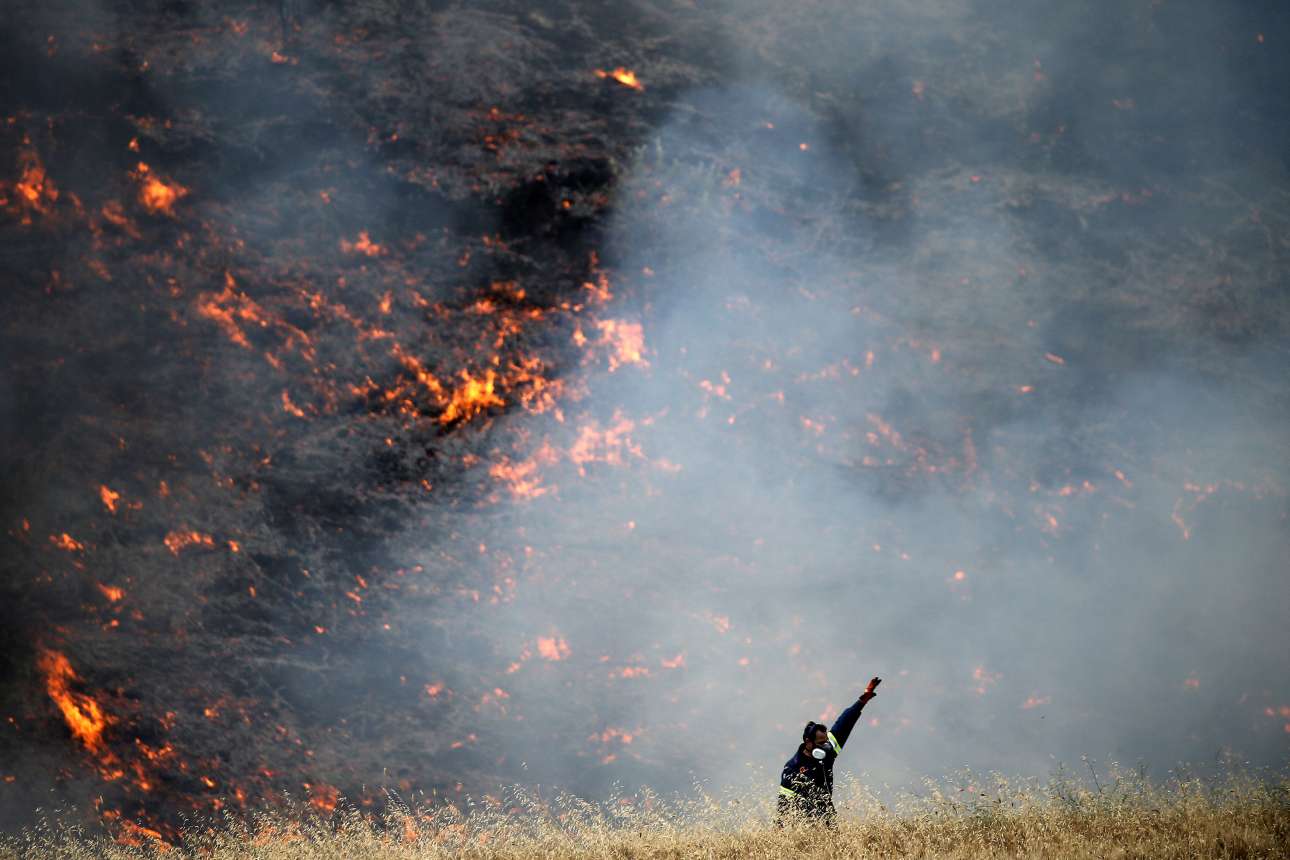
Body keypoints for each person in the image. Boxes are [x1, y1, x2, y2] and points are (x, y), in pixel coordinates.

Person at [776, 676, 881, 827]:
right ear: (808, 742)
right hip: (803, 825)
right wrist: (779, 830)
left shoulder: (828, 751)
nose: (825, 746)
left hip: (828, 817)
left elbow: (844, 723)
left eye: (826, 741)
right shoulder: (792, 767)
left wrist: (863, 700)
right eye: (820, 743)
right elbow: (783, 804)